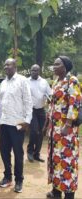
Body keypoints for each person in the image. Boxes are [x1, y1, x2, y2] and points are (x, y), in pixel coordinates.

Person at [0, 58, 33, 193]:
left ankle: (19, 180)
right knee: (4, 151)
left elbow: (28, 102)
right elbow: (0, 103)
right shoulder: (3, 83)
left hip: (17, 123)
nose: (6, 67)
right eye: (4, 65)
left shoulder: (22, 81)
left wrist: (27, 121)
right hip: (4, 122)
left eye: (8, 65)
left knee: (18, 153)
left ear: (15, 67)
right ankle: (7, 177)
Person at [46, 56, 81, 199]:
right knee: (55, 160)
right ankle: (56, 191)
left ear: (65, 66)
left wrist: (67, 124)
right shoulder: (56, 82)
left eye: (57, 64)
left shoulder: (72, 81)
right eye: (53, 64)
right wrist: (48, 123)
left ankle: (69, 194)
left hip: (67, 131)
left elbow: (75, 102)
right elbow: (53, 105)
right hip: (55, 130)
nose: (54, 66)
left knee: (67, 161)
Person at [27, 64, 52, 163]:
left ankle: (37, 154)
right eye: (32, 70)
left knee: (41, 132)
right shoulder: (26, 82)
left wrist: (49, 98)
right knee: (33, 131)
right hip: (31, 110)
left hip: (41, 110)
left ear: (39, 71)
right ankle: (30, 151)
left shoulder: (44, 82)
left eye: (36, 70)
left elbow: (49, 93)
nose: (34, 72)